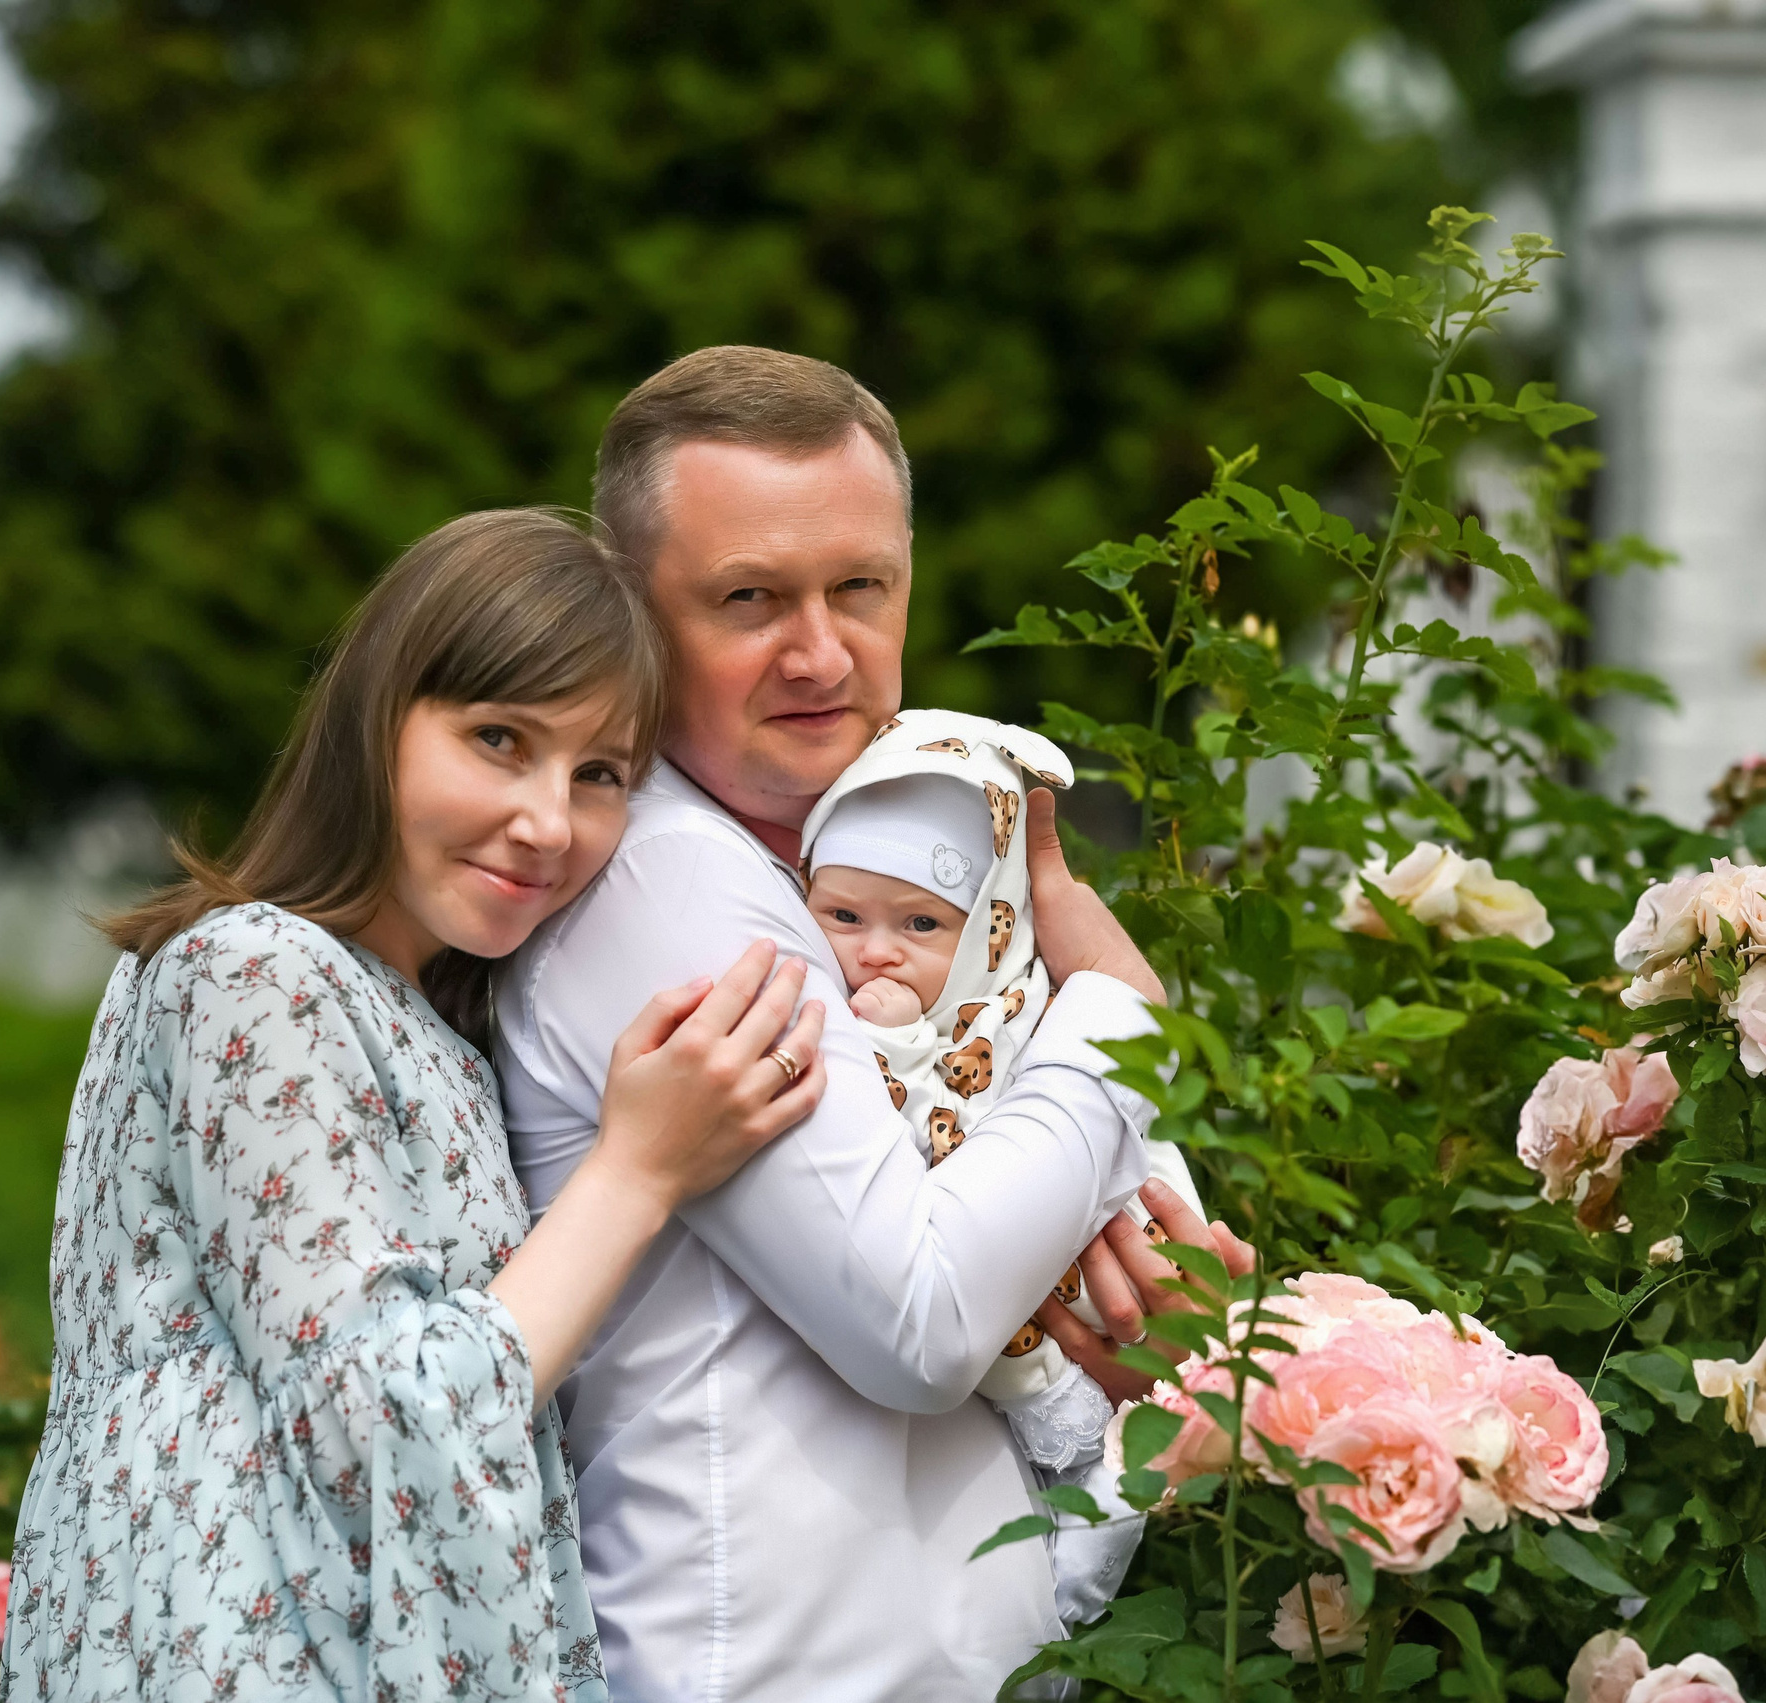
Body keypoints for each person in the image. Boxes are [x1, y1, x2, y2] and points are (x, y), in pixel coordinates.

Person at [495, 348, 1255, 1700]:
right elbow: (924, 1316)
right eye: (749, 599)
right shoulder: (668, 882)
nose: (822, 652)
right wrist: (1122, 1013)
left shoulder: (865, 873)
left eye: (861, 586)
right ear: (632, 616)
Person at [6, 509, 830, 1701]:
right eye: (499, 739)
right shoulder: (253, 970)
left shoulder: (428, 1026)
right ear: (376, 717)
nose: (549, 821)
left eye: (599, 773)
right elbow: (379, 1429)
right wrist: (636, 1172)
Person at [796, 706, 1213, 1630]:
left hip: (1105, 1235)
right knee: (1075, 1438)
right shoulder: (844, 1014)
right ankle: (1091, 1524)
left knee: (1116, 1428)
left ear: (992, 926)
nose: (875, 947)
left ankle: (1109, 1510)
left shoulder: (1019, 1000)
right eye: (842, 914)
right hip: (1015, 1289)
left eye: (920, 921)